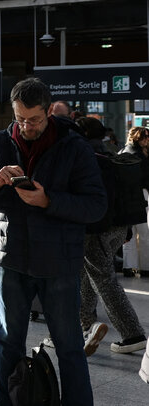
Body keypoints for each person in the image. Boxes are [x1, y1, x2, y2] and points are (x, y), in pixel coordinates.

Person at [0, 77, 106, 406]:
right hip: (10, 258)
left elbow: (96, 206)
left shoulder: (74, 147)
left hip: (58, 262)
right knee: (8, 341)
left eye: (34, 119)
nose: (27, 126)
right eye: (20, 119)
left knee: (68, 344)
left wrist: (48, 201)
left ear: (48, 112)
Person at [72, 117, 147, 356]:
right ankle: (81, 324)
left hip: (97, 228)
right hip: (117, 225)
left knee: (103, 280)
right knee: (88, 275)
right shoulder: (110, 153)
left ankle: (132, 334)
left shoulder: (85, 157)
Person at [121, 126, 149, 276]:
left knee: (128, 234)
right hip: (142, 196)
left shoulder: (122, 152)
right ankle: (145, 267)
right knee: (144, 232)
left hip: (126, 198)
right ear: (141, 138)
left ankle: (129, 266)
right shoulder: (142, 156)